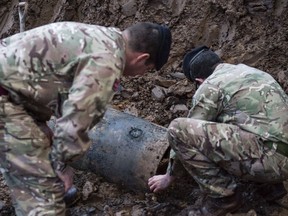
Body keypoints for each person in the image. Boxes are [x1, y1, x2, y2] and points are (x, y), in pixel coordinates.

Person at [0, 21, 172, 215]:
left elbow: (45, 81)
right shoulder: (107, 64)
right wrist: (61, 168)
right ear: (142, 59)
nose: (141, 74)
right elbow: (74, 127)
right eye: (147, 69)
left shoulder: (101, 37)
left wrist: (39, 123)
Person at [148, 46, 288, 215]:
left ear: (199, 81)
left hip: (273, 162)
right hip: (279, 153)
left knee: (178, 129)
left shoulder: (210, 85)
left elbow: (187, 132)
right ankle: (269, 188)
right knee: (237, 122)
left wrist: (169, 175)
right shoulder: (251, 72)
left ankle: (223, 197)